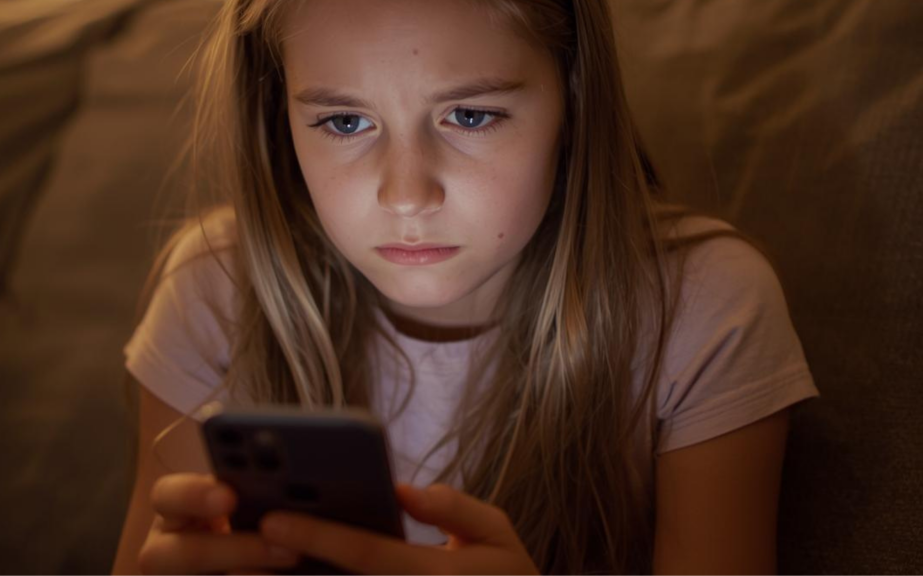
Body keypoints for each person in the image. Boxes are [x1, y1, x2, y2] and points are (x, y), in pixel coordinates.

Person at [111, 0, 819, 573]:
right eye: (345, 121)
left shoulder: (701, 307)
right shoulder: (217, 289)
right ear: (279, 119)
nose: (406, 194)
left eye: (471, 115)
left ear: (574, 101)